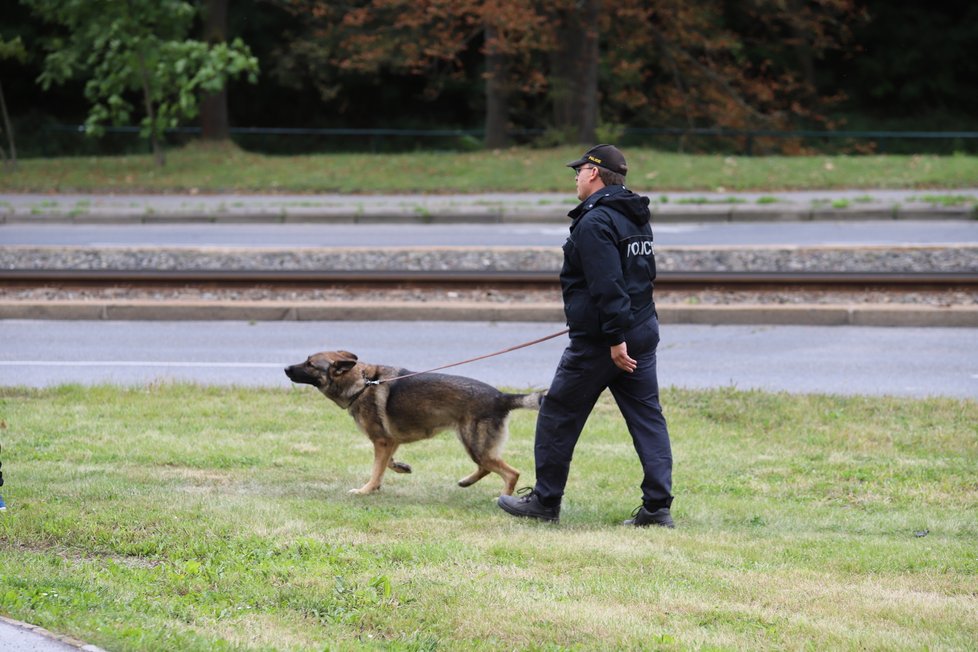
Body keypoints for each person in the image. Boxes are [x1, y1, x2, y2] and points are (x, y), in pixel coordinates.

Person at [497, 144, 675, 527]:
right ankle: (657, 509)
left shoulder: (596, 222)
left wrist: (614, 339)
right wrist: (630, 330)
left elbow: (608, 285)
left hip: (604, 342)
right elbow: (641, 277)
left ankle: (545, 502)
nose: (575, 179)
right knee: (647, 418)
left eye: (577, 172)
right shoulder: (634, 214)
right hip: (641, 330)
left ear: (593, 173)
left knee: (558, 413)